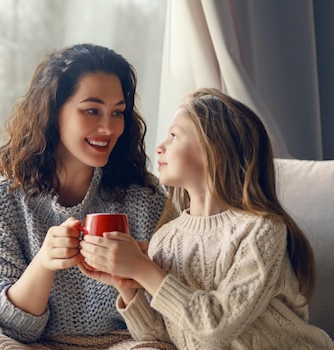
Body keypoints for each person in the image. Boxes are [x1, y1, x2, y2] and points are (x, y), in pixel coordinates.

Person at [78, 88, 334, 349]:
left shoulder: (261, 230)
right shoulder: (166, 238)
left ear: (216, 151)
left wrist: (145, 270)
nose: (160, 146)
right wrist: (127, 284)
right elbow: (161, 336)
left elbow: (216, 328)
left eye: (174, 136)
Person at [0, 43, 170, 349]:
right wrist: (43, 263)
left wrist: (131, 277)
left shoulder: (145, 199)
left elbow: (165, 325)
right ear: (53, 110)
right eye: (92, 110)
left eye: (118, 113)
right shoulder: (2, 202)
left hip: (122, 344)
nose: (108, 127)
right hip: (37, 345)